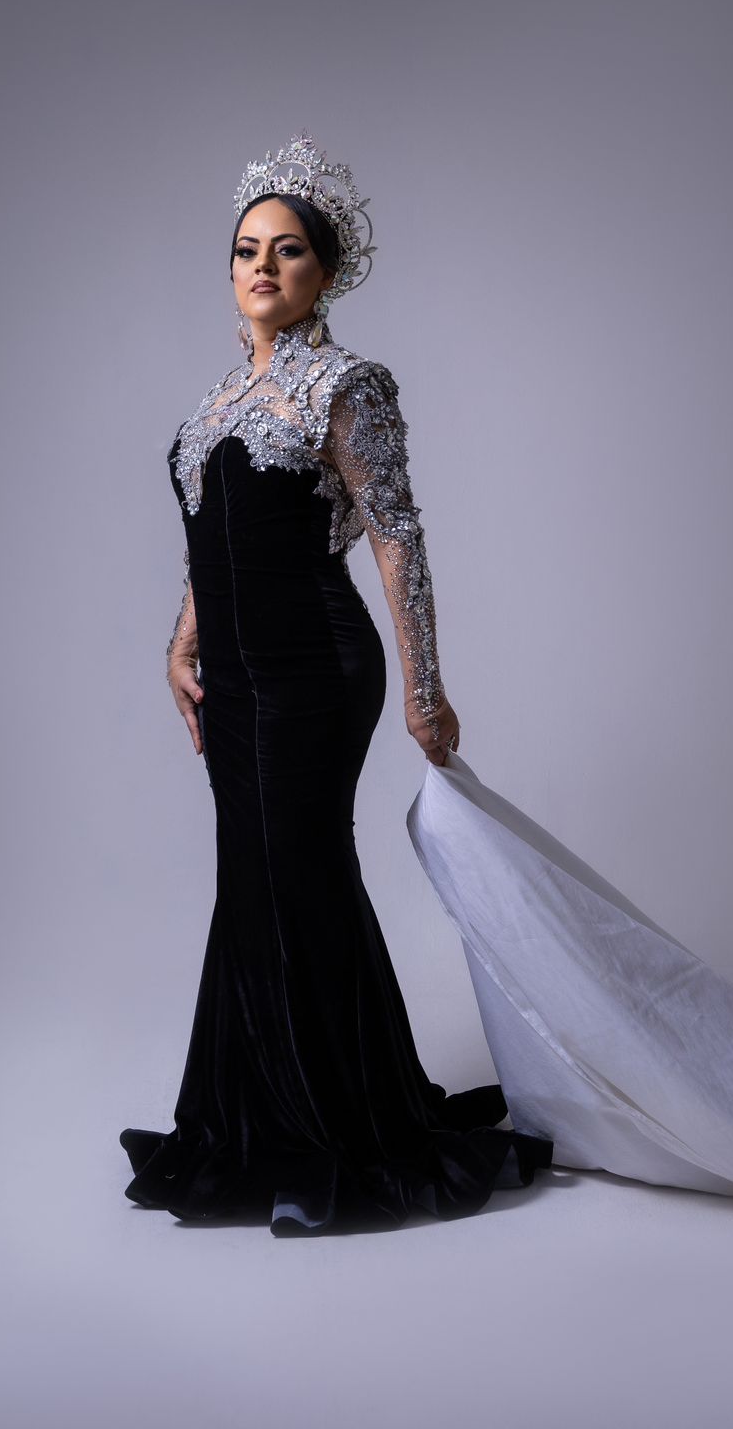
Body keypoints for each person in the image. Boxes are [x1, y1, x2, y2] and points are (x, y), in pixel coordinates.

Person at [119, 131, 555, 1234]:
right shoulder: (219, 401)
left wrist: (425, 690)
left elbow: (395, 536)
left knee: (295, 873)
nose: (262, 266)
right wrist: (181, 642)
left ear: (326, 270)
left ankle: (335, 1137)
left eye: (288, 250)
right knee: (256, 878)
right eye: (246, 250)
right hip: (233, 680)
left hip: (315, 667)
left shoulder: (346, 386)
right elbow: (214, 538)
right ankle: (254, 1122)